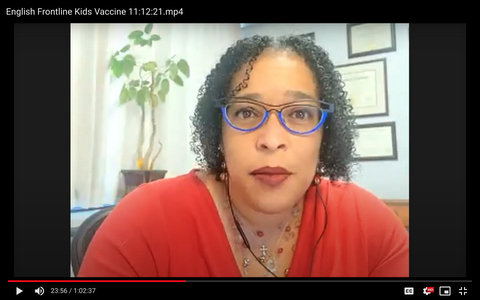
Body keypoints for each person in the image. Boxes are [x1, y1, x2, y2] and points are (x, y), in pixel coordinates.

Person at [78, 35, 409, 277]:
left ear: (326, 134)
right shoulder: (143, 222)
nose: (271, 140)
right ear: (217, 129)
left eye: (300, 114)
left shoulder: (371, 226)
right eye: (247, 112)